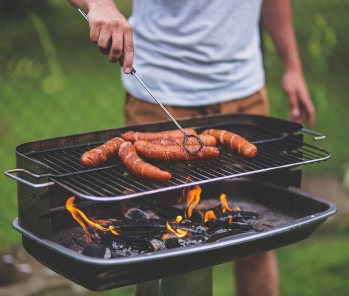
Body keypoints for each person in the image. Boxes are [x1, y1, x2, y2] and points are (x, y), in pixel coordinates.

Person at [68, 1, 315, 295]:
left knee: (257, 239)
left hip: (243, 92)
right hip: (159, 92)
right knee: (158, 246)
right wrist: (99, 5)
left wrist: (293, 67)